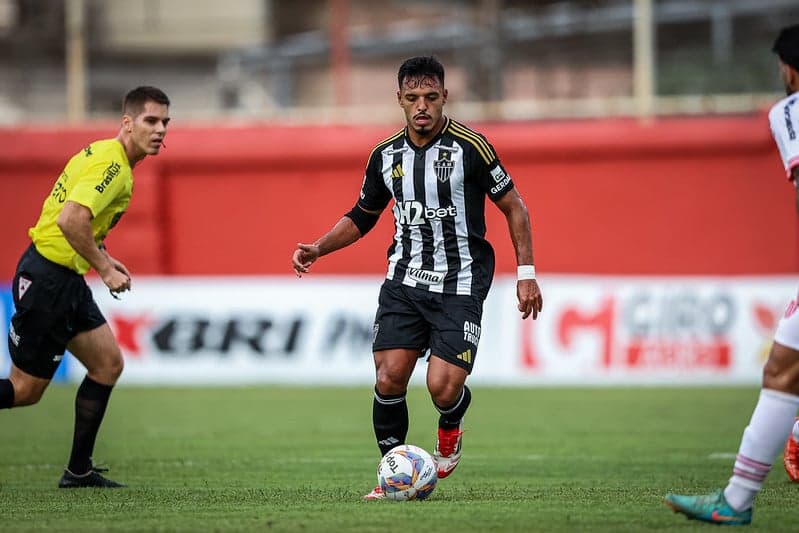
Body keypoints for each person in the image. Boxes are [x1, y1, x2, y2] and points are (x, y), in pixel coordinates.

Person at [291, 56, 543, 500]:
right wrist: (318, 247)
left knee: (442, 388)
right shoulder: (385, 156)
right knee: (389, 378)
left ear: (445, 97)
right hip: (404, 281)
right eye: (412, 98)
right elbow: (362, 216)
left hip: (460, 282)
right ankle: (391, 476)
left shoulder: (472, 148)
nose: (421, 106)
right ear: (400, 100)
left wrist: (526, 274)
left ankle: (451, 422)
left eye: (430, 97)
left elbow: (514, 206)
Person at [0, 86, 170, 488]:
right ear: (127, 123)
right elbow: (70, 220)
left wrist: (103, 256)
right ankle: (78, 469)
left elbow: (74, 221)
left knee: (108, 364)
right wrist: (105, 271)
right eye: (151, 121)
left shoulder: (102, 153)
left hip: (64, 277)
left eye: (165, 122)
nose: (160, 129)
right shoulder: (112, 167)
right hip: (48, 281)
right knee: (24, 390)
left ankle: (78, 470)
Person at [664, 25, 799, 525]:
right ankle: (738, 499)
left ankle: (738, 500)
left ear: (788, 69)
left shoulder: (790, 110)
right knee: (784, 369)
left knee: (782, 372)